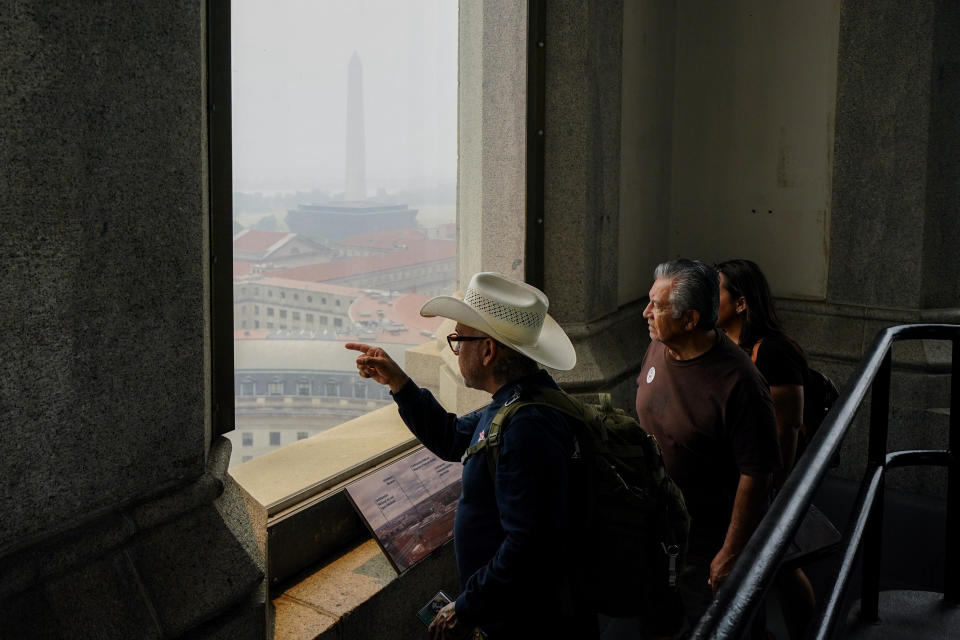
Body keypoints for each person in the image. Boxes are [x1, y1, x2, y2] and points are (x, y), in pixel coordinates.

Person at [346, 272, 598, 640]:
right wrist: (399, 383)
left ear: (488, 350)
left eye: (457, 339)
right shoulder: (522, 401)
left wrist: (465, 608)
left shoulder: (526, 428)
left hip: (528, 623)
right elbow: (453, 438)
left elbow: (528, 545)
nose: (456, 348)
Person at [634, 259, 781, 638]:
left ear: (690, 320)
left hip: (706, 539)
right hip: (657, 525)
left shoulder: (741, 384)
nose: (645, 312)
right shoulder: (658, 347)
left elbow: (758, 473)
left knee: (712, 625)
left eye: (658, 306)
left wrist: (730, 552)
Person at [715, 258, 817, 640]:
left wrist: (774, 495)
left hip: (768, 477)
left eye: (717, 291)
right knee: (769, 565)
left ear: (741, 303)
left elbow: (786, 430)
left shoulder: (773, 352)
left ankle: (808, 632)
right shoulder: (723, 343)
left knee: (779, 566)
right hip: (736, 468)